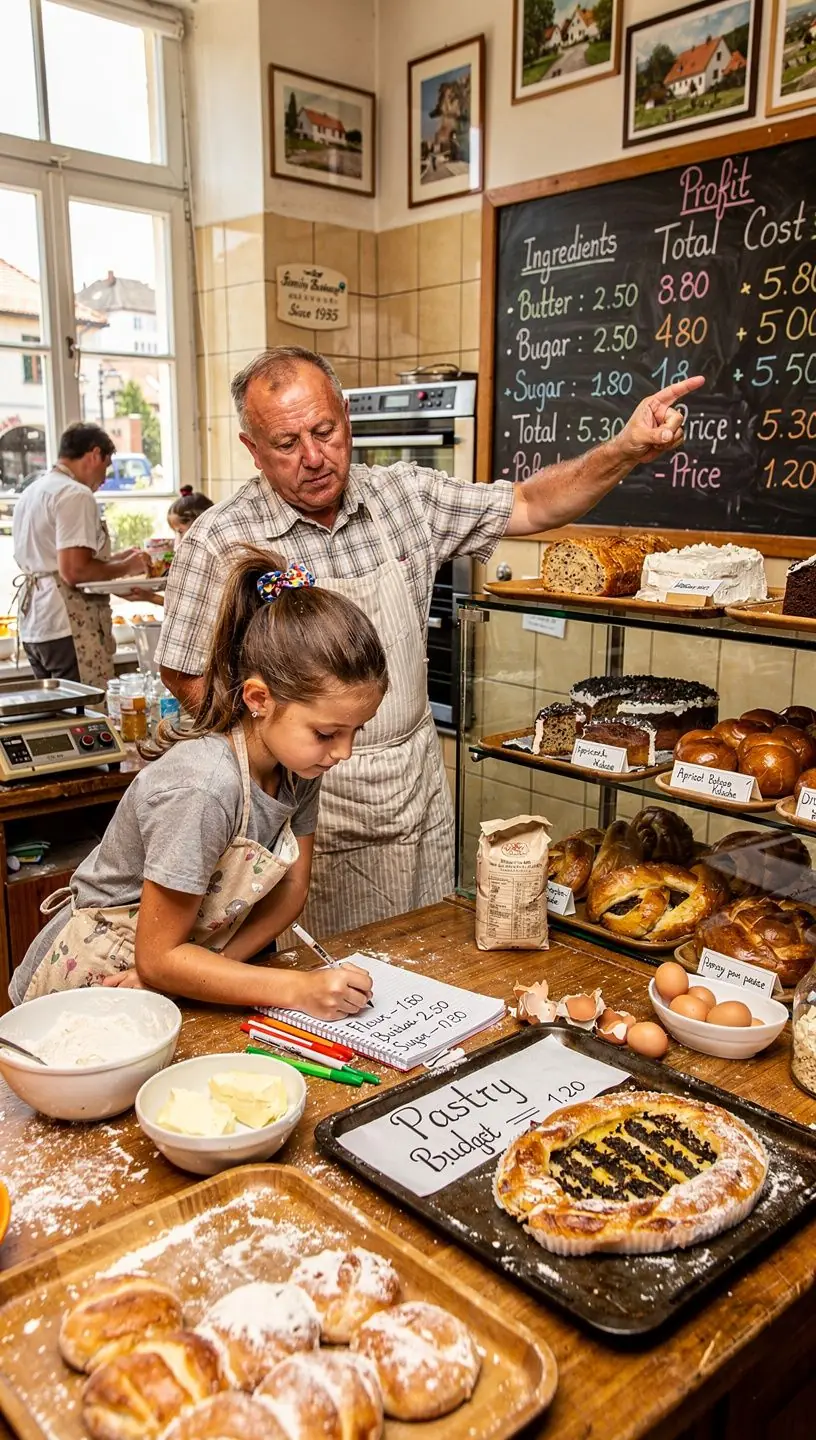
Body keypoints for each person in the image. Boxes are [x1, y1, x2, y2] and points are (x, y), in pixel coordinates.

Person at [156, 345, 704, 938]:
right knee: (320, 980)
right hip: (303, 802)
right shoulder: (220, 540)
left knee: (420, 955)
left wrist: (624, 449)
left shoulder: (406, 499)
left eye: (326, 431)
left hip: (413, 788)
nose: (314, 458)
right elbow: (185, 672)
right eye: (287, 445)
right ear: (252, 449)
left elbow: (531, 503)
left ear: (346, 415)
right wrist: (279, 761)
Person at [10, 546, 388, 1016]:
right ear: (258, 698)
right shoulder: (205, 787)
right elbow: (158, 955)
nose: (344, 752)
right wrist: (297, 989)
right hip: (102, 970)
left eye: (357, 730)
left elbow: (292, 892)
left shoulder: (300, 768)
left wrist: (208, 969)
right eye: (328, 733)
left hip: (177, 969)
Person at [12, 423, 150, 688]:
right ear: (94, 454)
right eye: (106, 466)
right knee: (84, 719)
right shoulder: (75, 493)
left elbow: (55, 558)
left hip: (35, 625)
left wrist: (117, 558)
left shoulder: (32, 491)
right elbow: (74, 571)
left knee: (56, 721)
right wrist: (127, 567)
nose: (105, 477)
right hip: (67, 626)